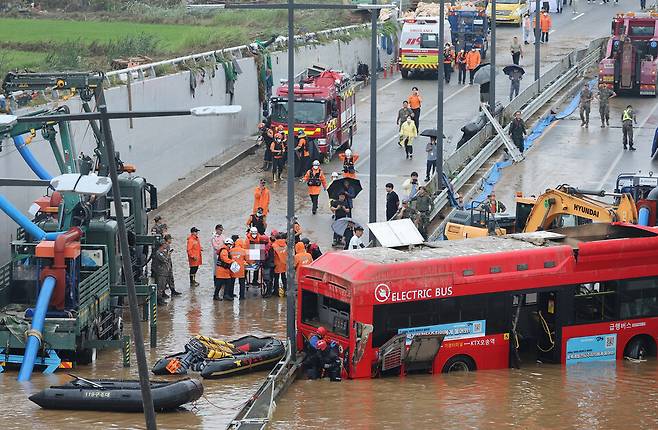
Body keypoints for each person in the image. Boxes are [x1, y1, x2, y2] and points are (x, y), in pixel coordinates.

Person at [151, 240, 169, 305]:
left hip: (163, 272)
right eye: (164, 245)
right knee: (160, 287)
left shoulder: (162, 252)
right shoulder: (159, 253)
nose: (165, 246)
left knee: (162, 286)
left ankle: (160, 299)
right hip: (160, 273)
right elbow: (165, 260)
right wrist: (168, 255)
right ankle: (159, 300)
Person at [229, 235, 247, 300]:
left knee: (232, 282)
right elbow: (247, 259)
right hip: (241, 269)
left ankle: (231, 294)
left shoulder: (231, 250)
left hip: (233, 269)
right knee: (242, 283)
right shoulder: (243, 251)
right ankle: (241, 296)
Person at [272, 232, 288, 297]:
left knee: (276, 278)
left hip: (277, 264)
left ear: (275, 238)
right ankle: (286, 290)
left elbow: (272, 255)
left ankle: (276, 291)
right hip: (284, 263)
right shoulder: (285, 245)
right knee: (284, 277)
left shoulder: (274, 245)